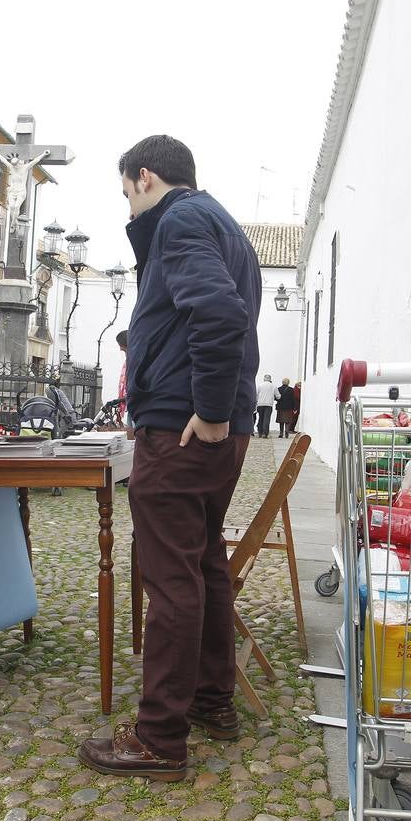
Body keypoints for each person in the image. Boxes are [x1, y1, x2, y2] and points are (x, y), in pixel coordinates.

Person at [79, 135, 260, 781]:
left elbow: (217, 313)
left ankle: (158, 738)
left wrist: (208, 411)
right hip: (213, 428)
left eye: (127, 193)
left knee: (174, 581)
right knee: (204, 566)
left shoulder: (181, 219)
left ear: (144, 176)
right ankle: (212, 700)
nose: (128, 208)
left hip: (185, 430)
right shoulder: (219, 222)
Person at [115, 330, 130, 425]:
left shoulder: (133, 361)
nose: (120, 349)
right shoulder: (128, 361)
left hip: (134, 403)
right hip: (130, 404)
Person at [255, 374, 275, 438]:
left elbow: (256, 395)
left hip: (260, 404)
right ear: (270, 379)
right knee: (267, 419)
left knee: (260, 418)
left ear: (264, 379)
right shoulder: (273, 386)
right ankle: (265, 433)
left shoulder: (259, 386)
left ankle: (260, 432)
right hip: (269, 404)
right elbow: (278, 396)